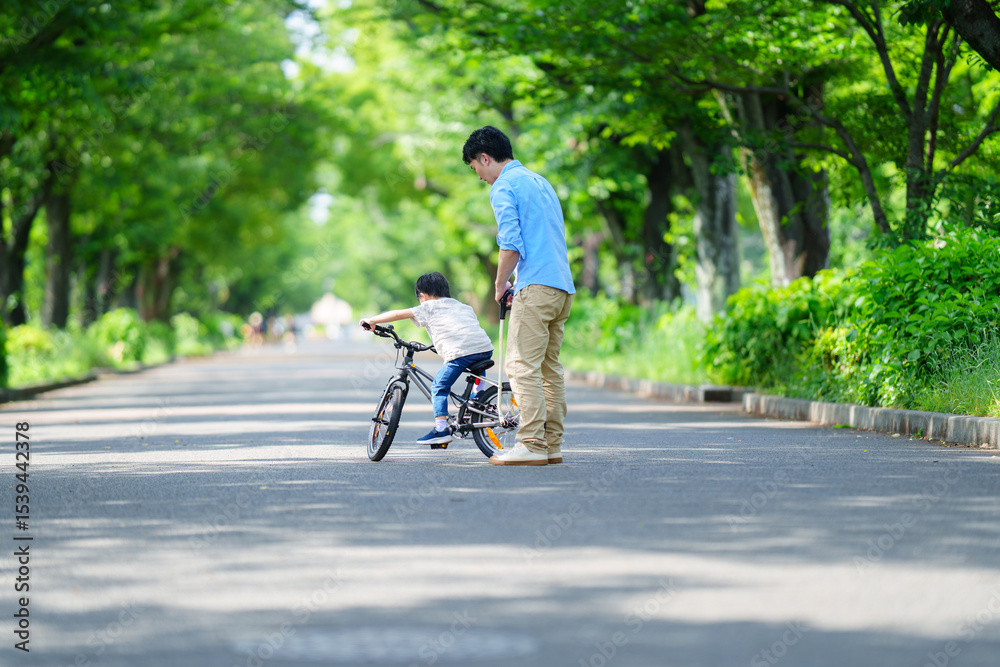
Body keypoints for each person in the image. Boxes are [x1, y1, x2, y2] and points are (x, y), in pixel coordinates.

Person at [463, 126, 575, 466]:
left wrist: (500, 284)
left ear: (485, 157)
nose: (480, 177)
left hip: (536, 286)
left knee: (520, 366)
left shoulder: (504, 187)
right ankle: (550, 444)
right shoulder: (540, 182)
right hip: (562, 286)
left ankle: (530, 444)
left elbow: (510, 243)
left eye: (476, 168)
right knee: (548, 367)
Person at [359, 272, 494, 446]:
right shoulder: (463, 306)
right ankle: (478, 397)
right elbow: (464, 332)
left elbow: (400, 314)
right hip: (485, 348)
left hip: (461, 353)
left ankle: (441, 429)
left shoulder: (428, 306)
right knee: (475, 363)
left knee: (439, 386)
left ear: (422, 296)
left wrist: (372, 320)